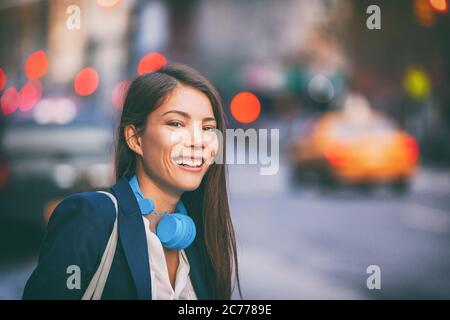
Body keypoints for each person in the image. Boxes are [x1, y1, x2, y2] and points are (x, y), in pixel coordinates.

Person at [22, 63, 242, 300]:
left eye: (208, 127)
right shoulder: (91, 218)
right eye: (176, 123)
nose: (198, 141)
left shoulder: (201, 242)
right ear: (135, 138)